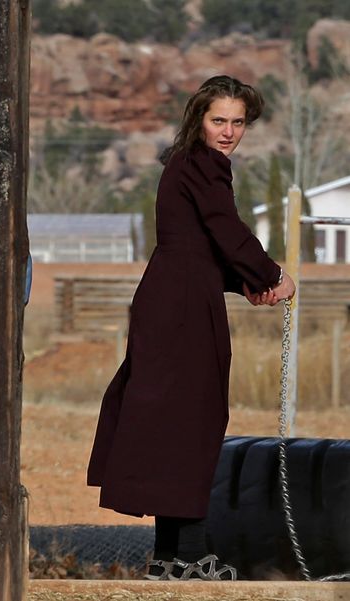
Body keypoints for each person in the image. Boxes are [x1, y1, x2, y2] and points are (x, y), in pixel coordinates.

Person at [86, 75, 296, 581]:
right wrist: (271, 275)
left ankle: (169, 556)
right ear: (198, 119)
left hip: (175, 298)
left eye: (237, 122)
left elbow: (197, 249)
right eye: (218, 120)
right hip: (181, 308)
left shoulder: (186, 162)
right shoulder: (204, 164)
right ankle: (190, 554)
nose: (228, 132)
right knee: (191, 423)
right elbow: (227, 231)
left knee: (173, 423)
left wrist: (242, 284)